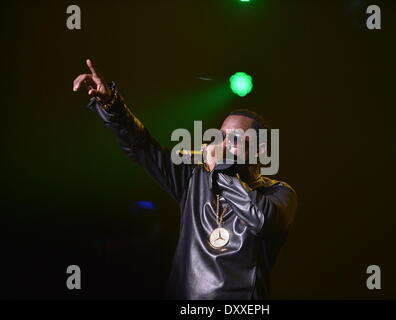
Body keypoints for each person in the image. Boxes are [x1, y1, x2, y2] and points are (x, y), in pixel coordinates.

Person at [73, 59, 298, 299]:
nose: (222, 145)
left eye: (234, 139)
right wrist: (112, 106)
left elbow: (261, 220)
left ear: (260, 150)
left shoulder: (279, 194)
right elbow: (142, 149)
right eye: (220, 137)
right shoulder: (195, 179)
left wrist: (218, 171)